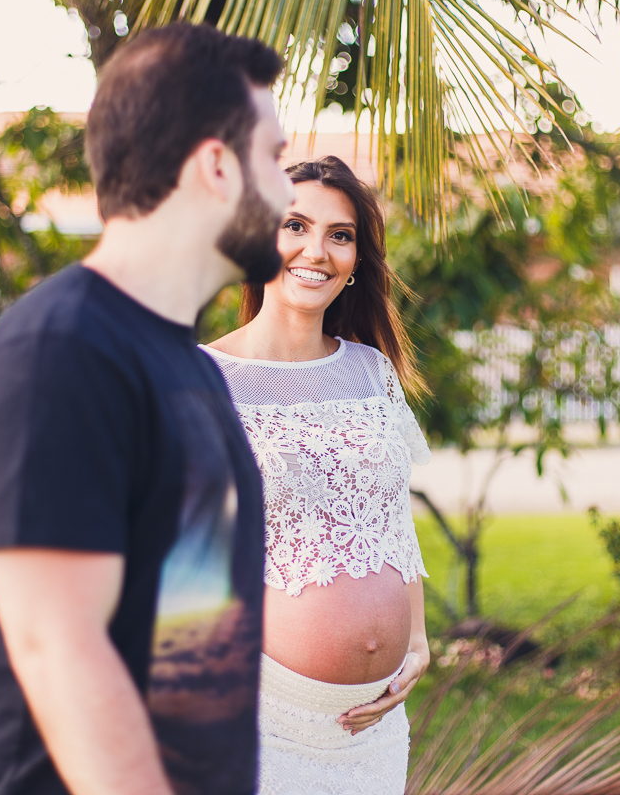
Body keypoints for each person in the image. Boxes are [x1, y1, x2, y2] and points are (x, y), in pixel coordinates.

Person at [0, 24, 294, 795]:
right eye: (276, 158)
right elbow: (59, 648)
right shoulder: (59, 352)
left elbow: (192, 637)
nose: (289, 192)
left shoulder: (184, 364)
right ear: (218, 166)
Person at [202, 156, 431, 795]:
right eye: (294, 226)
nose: (317, 250)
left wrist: (416, 636)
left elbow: (392, 517)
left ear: (357, 257)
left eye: (340, 234)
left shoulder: (371, 370)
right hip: (261, 717)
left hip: (378, 726)